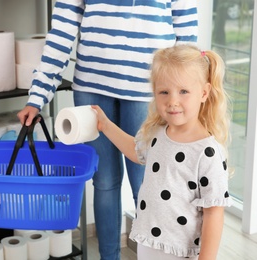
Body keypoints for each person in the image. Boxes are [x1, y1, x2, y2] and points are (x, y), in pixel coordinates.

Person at [17, 1, 198, 258]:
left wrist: (184, 94)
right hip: (92, 85)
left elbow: (187, 35)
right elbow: (61, 31)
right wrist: (37, 96)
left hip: (150, 89)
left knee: (148, 186)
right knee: (104, 182)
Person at [92, 44, 233, 259]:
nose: (172, 101)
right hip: (149, 240)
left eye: (183, 91)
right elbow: (134, 149)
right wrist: (106, 125)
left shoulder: (208, 152)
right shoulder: (157, 133)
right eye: (164, 92)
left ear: (204, 93)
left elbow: (214, 213)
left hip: (180, 250)